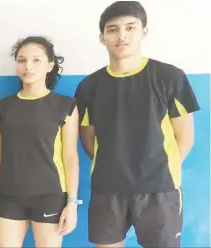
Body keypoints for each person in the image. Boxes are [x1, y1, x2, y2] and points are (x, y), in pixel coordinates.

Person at [74, 1, 200, 247]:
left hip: (159, 190)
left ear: (144, 31)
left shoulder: (170, 77)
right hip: (107, 188)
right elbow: (88, 140)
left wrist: (157, 170)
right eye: (113, 30)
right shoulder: (89, 86)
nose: (121, 36)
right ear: (102, 37)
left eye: (130, 28)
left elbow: (185, 138)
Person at [0, 36, 80, 247]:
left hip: (50, 195)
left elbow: (70, 156)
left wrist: (71, 203)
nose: (28, 66)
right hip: (9, 196)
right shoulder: (1, 108)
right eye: (22, 60)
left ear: (50, 65)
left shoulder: (65, 106)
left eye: (36, 60)